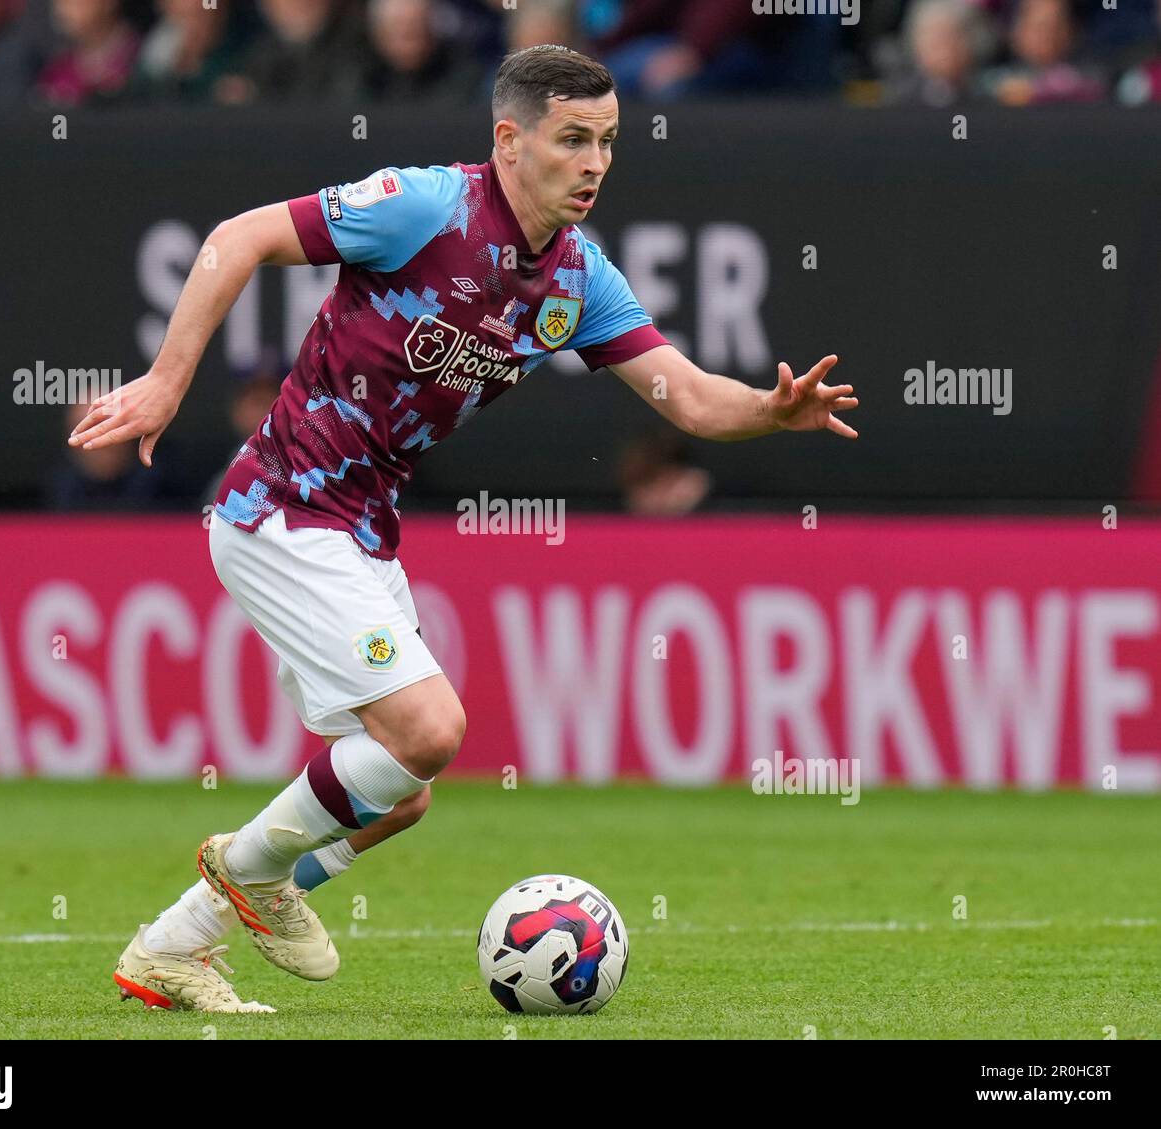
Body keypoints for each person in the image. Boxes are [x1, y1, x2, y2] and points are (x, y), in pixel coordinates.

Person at [69, 44, 859, 1013]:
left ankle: (172, 945)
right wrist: (164, 381)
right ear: (509, 139)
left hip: (359, 529)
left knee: (398, 793)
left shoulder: (574, 280)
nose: (594, 163)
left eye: (608, 143)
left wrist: (768, 410)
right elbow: (237, 239)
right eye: (572, 140)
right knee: (430, 729)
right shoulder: (425, 206)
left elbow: (690, 399)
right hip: (280, 507)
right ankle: (252, 868)